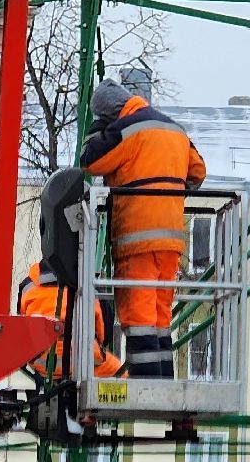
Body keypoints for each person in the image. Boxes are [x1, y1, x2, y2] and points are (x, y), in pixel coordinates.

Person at [80, 78, 207, 378]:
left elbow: (91, 161)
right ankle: (164, 381)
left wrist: (97, 132)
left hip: (136, 239)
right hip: (172, 241)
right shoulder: (173, 129)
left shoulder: (125, 130)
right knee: (160, 318)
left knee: (138, 316)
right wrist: (170, 192)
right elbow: (198, 172)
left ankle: (147, 387)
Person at [17, 258, 122, 379]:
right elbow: (105, 335)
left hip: (40, 363)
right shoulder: (91, 285)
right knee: (123, 378)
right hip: (84, 364)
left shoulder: (28, 285)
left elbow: (21, 327)